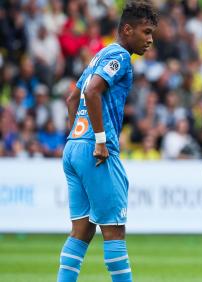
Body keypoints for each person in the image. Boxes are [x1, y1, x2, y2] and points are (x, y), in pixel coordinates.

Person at [57, 2, 157, 282]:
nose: (150, 39)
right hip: (95, 149)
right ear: (127, 29)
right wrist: (99, 139)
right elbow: (91, 92)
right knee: (114, 231)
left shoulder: (98, 56)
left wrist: (78, 135)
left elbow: (72, 98)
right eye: (146, 31)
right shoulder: (120, 56)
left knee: (82, 231)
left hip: (75, 145)